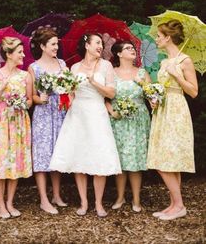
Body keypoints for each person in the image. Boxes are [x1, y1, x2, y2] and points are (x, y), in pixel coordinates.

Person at [49, 33, 121, 217]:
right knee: (78, 157)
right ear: (87, 45)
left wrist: (93, 82)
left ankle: (98, 203)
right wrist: (64, 93)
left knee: (99, 157)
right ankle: (84, 202)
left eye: (101, 44)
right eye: (97, 42)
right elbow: (71, 93)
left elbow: (111, 94)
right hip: (78, 115)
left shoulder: (106, 66)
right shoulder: (74, 67)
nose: (100, 46)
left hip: (97, 113)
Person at [147, 19, 198, 220]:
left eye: (159, 36)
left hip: (177, 111)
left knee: (165, 161)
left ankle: (179, 205)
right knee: (167, 159)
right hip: (163, 110)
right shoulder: (164, 61)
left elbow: (193, 91)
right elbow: (162, 88)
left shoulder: (184, 61)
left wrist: (178, 76)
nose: (157, 39)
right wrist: (154, 99)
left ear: (168, 37)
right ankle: (173, 204)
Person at [0, 37, 33, 219]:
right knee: (0, 162)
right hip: (0, 122)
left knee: (15, 162)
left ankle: (10, 202)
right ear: (9, 54)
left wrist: (21, 103)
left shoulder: (25, 76)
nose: (23, 55)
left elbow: (29, 101)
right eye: (20, 52)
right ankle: (0, 204)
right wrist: (0, 89)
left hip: (19, 122)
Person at [106, 40, 151, 212]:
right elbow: (104, 97)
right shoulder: (112, 73)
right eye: (128, 48)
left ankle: (137, 200)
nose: (132, 50)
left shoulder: (142, 73)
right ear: (118, 54)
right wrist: (112, 111)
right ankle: (120, 197)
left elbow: (151, 95)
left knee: (135, 160)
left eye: (133, 48)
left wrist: (153, 98)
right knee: (121, 160)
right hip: (118, 120)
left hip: (138, 120)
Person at [28, 27, 67, 215]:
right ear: (43, 46)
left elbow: (68, 88)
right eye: (53, 44)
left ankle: (57, 195)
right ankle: (44, 199)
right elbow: (31, 97)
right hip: (43, 114)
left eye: (57, 44)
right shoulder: (33, 68)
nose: (56, 47)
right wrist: (39, 98)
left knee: (57, 154)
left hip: (60, 112)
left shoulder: (62, 64)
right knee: (43, 155)